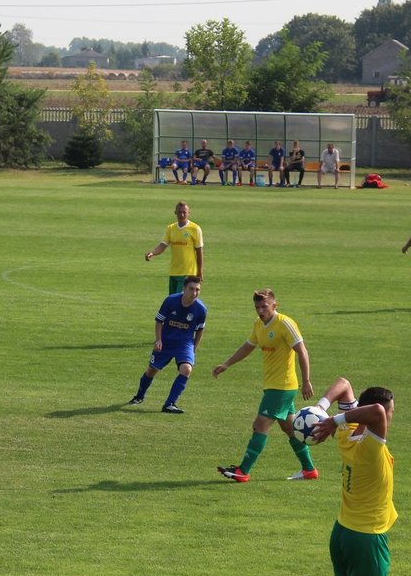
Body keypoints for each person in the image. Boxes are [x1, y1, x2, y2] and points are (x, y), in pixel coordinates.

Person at [302, 377, 397, 576]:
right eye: (391, 411)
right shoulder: (370, 443)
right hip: (367, 539)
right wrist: (332, 419)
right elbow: (378, 415)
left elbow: (343, 383)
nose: (391, 417)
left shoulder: (344, 434)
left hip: (342, 533)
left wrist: (321, 410)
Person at [213, 289, 318, 483]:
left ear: (274, 306)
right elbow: (247, 346)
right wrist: (227, 364)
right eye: (257, 307)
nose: (260, 311)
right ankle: (309, 469)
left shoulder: (285, 324)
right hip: (272, 385)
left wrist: (306, 381)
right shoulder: (258, 325)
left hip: (282, 386)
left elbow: (302, 351)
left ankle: (243, 471)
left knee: (259, 425)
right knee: (290, 429)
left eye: (264, 307)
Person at [129, 276, 206, 413]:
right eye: (191, 289)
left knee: (186, 369)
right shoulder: (171, 301)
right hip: (166, 341)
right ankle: (139, 396)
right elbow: (159, 321)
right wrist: (158, 340)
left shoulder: (201, 309)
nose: (194, 293)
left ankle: (169, 404)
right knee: (152, 371)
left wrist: (194, 348)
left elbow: (200, 330)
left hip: (184, 344)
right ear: (184, 289)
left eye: (197, 290)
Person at [145, 201, 204, 294]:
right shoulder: (171, 228)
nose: (182, 214)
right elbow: (162, 245)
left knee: (181, 301)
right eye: (179, 212)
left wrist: (199, 272)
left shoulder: (195, 229)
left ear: (189, 213)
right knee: (173, 302)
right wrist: (152, 253)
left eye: (184, 212)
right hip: (173, 272)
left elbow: (199, 252)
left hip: (188, 272)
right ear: (175, 213)